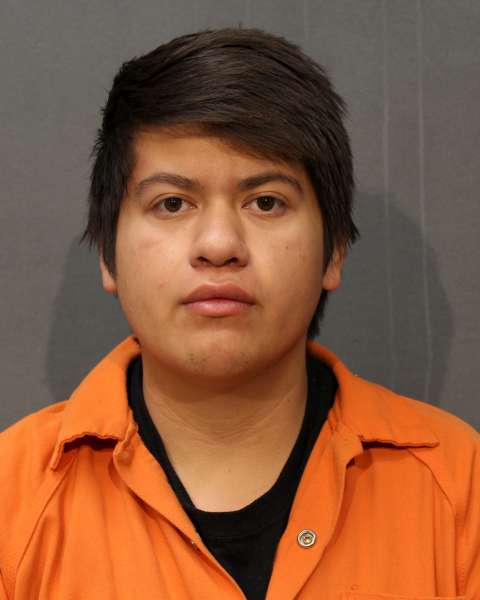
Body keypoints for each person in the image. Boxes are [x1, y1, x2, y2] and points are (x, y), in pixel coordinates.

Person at [0, 26, 478, 600]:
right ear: (108, 253)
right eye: (172, 203)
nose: (220, 244)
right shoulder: (12, 500)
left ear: (333, 250)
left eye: (266, 202)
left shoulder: (460, 487)